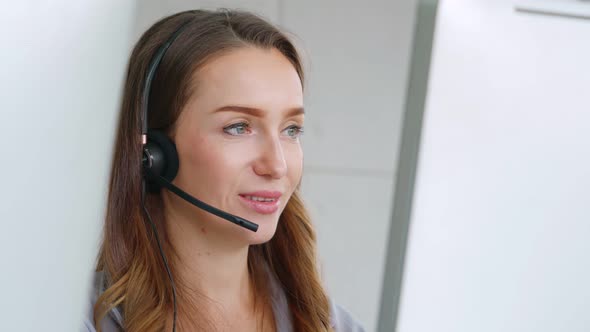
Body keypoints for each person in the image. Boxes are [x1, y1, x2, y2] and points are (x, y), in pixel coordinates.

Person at [83, 9, 365, 332]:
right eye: (238, 127)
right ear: (154, 154)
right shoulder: (72, 320)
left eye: (291, 129)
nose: (277, 165)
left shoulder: (330, 325)